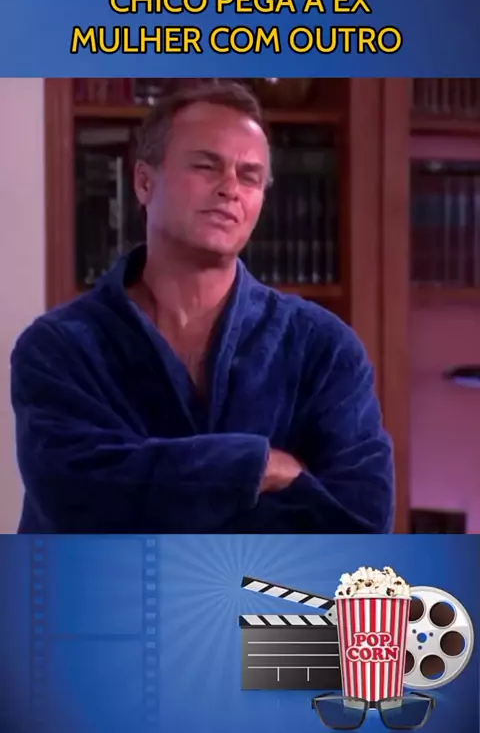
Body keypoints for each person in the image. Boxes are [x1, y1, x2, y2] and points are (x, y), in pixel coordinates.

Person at [11, 79, 394, 534]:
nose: (230, 188)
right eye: (206, 166)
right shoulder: (58, 347)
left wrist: (156, 485)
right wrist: (258, 467)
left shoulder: (323, 348)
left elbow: (360, 520)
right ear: (144, 182)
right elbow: (78, 497)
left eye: (249, 176)